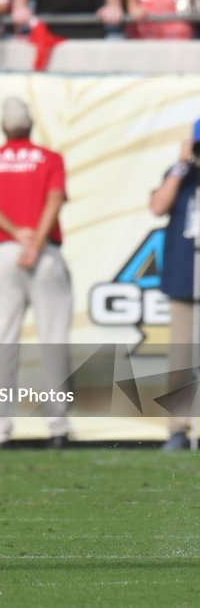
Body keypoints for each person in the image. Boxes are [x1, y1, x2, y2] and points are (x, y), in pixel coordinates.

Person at [0, 96, 72, 448]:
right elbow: (55, 198)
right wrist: (36, 241)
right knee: (54, 340)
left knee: (0, 343)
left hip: (6, 251)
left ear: (3, 126)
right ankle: (58, 427)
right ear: (31, 125)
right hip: (44, 252)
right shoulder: (49, 158)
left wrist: (17, 234)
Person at [148, 122, 200, 450]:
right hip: (184, 276)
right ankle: (178, 428)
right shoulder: (180, 174)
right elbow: (157, 206)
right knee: (181, 356)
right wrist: (181, 166)